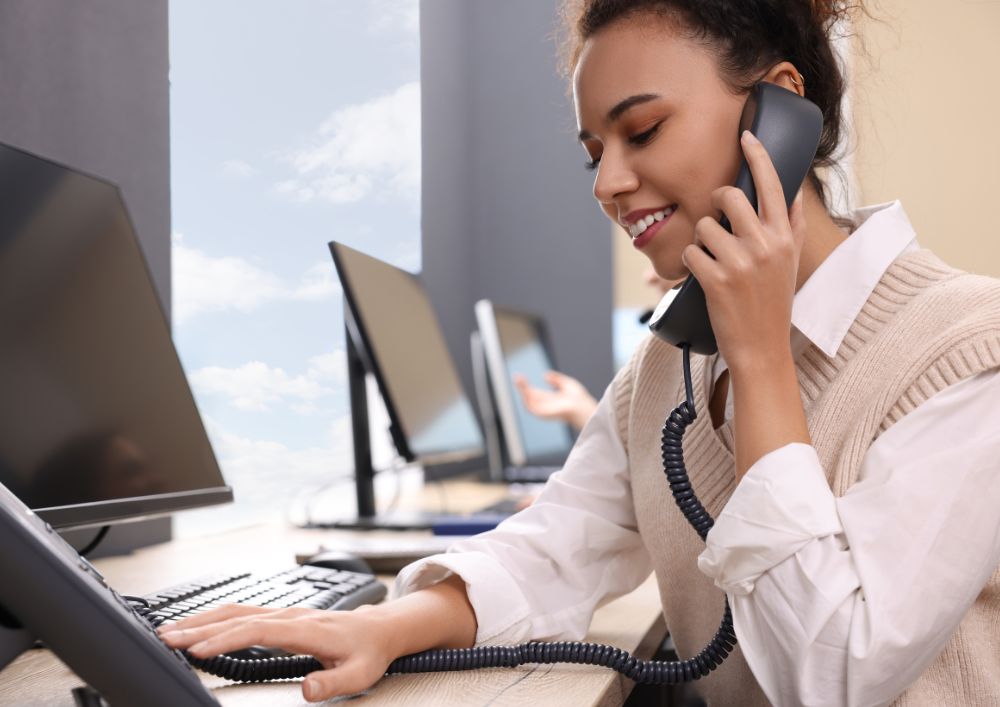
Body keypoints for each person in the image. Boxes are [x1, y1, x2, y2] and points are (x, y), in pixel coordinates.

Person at [160, 1, 1000, 704]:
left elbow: (835, 674)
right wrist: (384, 622)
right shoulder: (665, 372)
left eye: (642, 130)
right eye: (596, 155)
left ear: (777, 113)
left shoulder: (966, 348)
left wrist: (761, 361)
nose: (606, 184)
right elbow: (562, 539)